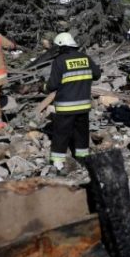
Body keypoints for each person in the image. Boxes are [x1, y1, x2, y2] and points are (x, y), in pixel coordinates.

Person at [43, 32, 101, 173]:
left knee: (61, 134)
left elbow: (53, 85)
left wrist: (44, 87)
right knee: (81, 133)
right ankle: (83, 160)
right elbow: (97, 75)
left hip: (66, 106)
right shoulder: (85, 58)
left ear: (62, 46)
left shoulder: (60, 60)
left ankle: (58, 163)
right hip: (83, 106)